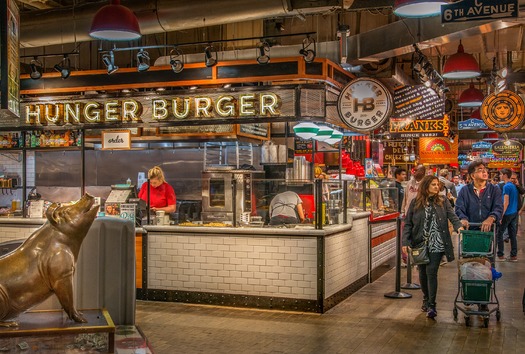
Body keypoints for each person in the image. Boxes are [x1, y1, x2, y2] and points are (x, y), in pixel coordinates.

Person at [402, 175, 464, 319]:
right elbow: (408, 223)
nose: (437, 187)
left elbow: (452, 216)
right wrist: (406, 241)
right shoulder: (415, 202)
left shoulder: (443, 201)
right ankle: (425, 297)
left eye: (438, 185)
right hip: (420, 242)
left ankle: (432, 304)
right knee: (422, 274)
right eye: (434, 185)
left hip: (438, 242)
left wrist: (459, 226)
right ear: (426, 186)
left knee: (431, 272)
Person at [455, 161, 503, 233]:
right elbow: (459, 208)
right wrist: (463, 218)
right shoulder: (465, 190)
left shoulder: (494, 189)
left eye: (485, 169)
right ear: (473, 176)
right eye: (480, 170)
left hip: (489, 230)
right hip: (470, 230)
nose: (484, 171)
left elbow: (498, 207)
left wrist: (491, 218)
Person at [496, 168, 519, 261]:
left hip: (507, 213)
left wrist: (501, 215)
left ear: (505, 175)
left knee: (499, 233)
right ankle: (513, 255)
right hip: (514, 213)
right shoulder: (513, 186)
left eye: (501, 174)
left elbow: (506, 202)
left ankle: (500, 254)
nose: (500, 176)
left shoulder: (506, 187)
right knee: (512, 234)